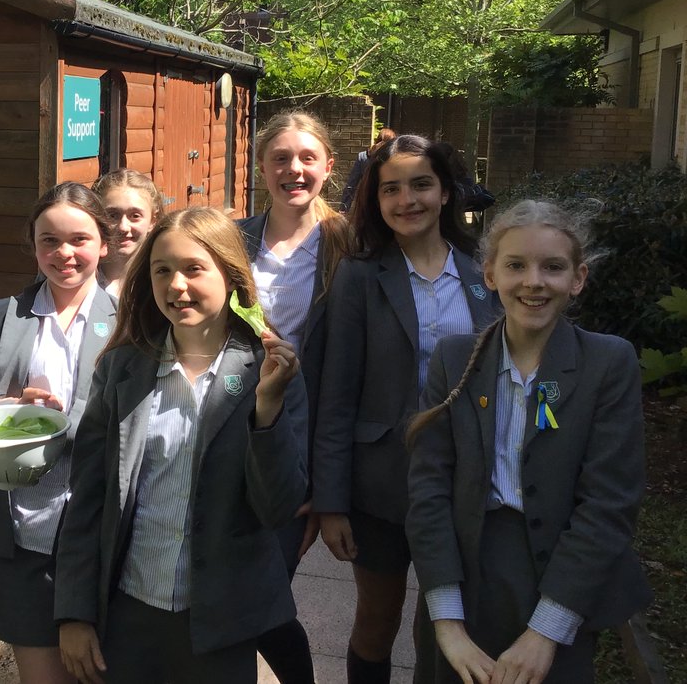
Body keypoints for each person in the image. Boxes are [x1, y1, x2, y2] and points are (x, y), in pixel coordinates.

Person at [55, 206, 309, 684]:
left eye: (194, 269)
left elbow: (279, 507)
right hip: (131, 610)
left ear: (231, 275)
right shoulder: (123, 369)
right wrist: (74, 612)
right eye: (162, 270)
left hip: (221, 621)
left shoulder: (268, 370)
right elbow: (88, 497)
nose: (176, 286)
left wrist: (267, 412)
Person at [406, 200, 650, 684]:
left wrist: (546, 633)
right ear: (490, 275)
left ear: (577, 278)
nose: (534, 282)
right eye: (516, 265)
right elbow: (428, 490)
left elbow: (609, 502)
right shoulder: (454, 361)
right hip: (468, 570)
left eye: (553, 267)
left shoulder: (608, 363)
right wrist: (448, 625)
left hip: (560, 576)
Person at [312, 134, 499, 684]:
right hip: (380, 484)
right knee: (378, 617)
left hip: (467, 480)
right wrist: (331, 503)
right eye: (390, 189)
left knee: (449, 622)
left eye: (421, 184)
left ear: (445, 192)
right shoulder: (359, 276)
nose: (406, 199)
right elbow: (336, 394)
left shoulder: (484, 272)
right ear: (376, 200)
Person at [0, 183, 117, 684]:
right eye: (49, 240)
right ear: (33, 244)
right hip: (20, 525)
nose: (64, 253)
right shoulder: (3, 316)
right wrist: (3, 413)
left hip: (96, 528)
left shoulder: (132, 321)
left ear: (103, 244)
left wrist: (67, 417)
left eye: (79, 239)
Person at [237, 110, 353, 683]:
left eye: (307, 157)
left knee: (262, 592)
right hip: (233, 435)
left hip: (303, 448)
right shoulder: (234, 240)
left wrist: (326, 484)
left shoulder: (350, 247)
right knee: (238, 587)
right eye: (280, 157)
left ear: (328, 166)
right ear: (262, 168)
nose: (294, 169)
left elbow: (354, 375)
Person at [92, 168, 164, 298]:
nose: (123, 227)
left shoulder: (161, 280)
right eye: (112, 215)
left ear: (153, 220)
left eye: (135, 216)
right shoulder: (82, 280)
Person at [340, 127, 396, 213]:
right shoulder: (393, 158)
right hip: (387, 201)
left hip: (367, 202)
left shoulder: (363, 157)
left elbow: (351, 185)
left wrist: (344, 208)